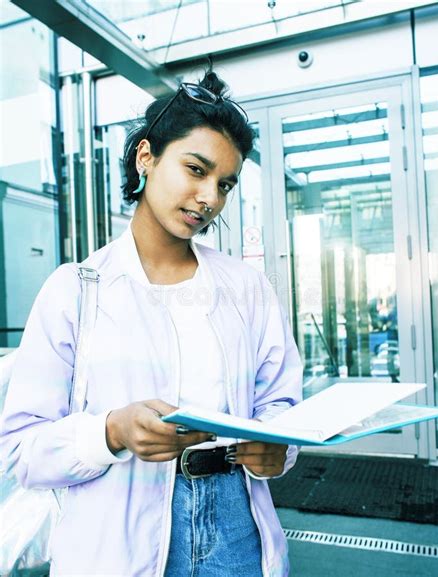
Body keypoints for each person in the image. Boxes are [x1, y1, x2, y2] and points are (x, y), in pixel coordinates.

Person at [1, 70, 302, 577]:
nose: (210, 197)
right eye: (195, 169)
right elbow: (19, 450)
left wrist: (277, 449)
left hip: (235, 528)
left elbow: (280, 405)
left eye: (225, 184)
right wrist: (111, 431)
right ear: (146, 158)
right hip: (117, 537)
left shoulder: (245, 287)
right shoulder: (75, 289)